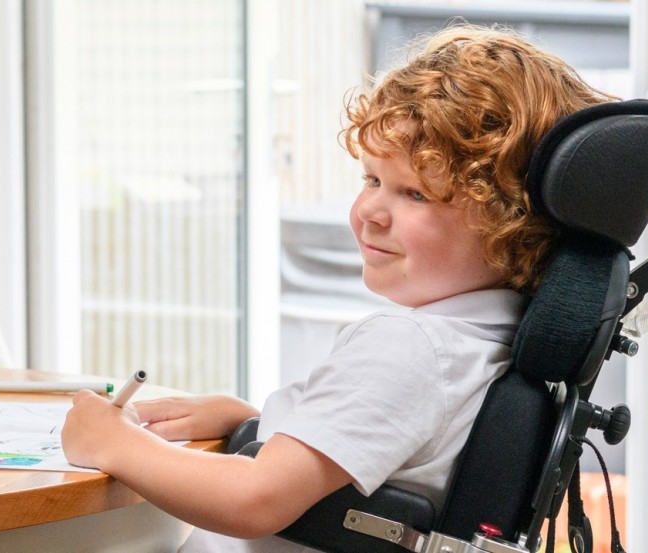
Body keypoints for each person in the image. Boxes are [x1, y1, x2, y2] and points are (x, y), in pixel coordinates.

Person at [61, 25, 613, 552]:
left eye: (414, 194)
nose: (370, 211)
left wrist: (114, 442)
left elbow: (254, 500)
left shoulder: (414, 347)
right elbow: (386, 455)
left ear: (509, 219)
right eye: (372, 179)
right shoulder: (490, 340)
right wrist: (249, 422)